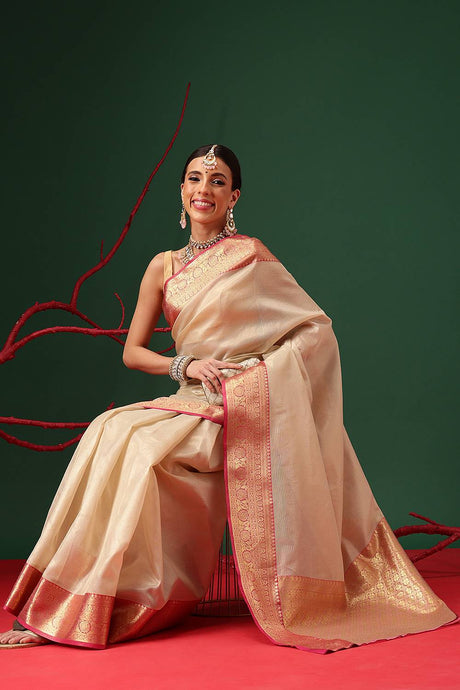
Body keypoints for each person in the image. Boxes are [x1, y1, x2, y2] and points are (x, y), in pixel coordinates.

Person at [1, 145, 456, 652]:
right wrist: (184, 365)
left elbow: (315, 332)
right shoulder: (162, 266)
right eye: (195, 178)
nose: (204, 189)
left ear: (233, 196)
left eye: (217, 181)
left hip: (240, 406)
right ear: (181, 189)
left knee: (139, 446)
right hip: (188, 397)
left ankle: (118, 603)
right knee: (108, 431)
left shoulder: (250, 257)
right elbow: (133, 352)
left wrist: (250, 380)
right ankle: (76, 606)